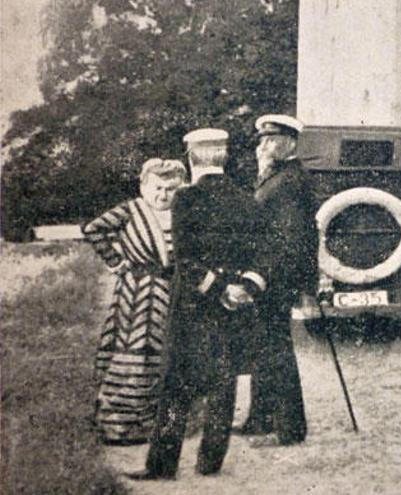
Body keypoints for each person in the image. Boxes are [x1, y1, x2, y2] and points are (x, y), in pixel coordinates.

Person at [127, 128, 267, 479]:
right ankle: (210, 464)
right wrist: (242, 287)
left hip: (193, 308)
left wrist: (217, 287)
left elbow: (186, 262)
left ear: (191, 158)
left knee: (176, 388)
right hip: (233, 307)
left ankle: (162, 466)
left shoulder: (185, 199)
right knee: (223, 384)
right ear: (225, 157)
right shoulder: (247, 199)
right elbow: (264, 256)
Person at [82, 158, 187, 445]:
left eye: (170, 189)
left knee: (167, 352)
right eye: (157, 188)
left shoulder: (183, 211)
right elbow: (93, 230)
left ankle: (157, 419)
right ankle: (121, 424)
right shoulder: (129, 210)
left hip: (173, 292)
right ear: (143, 187)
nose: (163, 195)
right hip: (138, 292)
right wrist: (116, 262)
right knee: (134, 350)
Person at [233, 114, 320, 445]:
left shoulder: (289, 181)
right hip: (271, 275)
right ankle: (260, 419)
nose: (262, 146)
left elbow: (288, 238)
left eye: (270, 141)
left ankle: (290, 427)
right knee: (265, 347)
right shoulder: (277, 175)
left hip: (276, 277)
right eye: (262, 141)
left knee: (276, 349)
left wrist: (264, 277)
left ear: (290, 144)